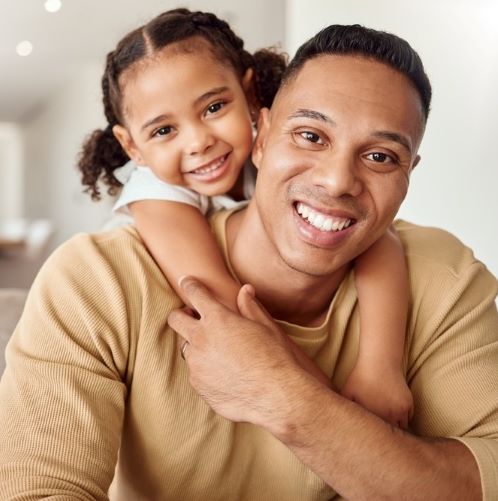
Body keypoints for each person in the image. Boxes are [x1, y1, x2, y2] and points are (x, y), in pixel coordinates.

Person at [0, 22, 497, 501]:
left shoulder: (445, 278)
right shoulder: (104, 272)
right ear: (264, 134)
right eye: (310, 136)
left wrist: (291, 393)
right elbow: (210, 295)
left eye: (382, 157)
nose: (337, 180)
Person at [77, 8, 412, 427]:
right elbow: (223, 307)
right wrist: (341, 417)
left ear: (251, 96)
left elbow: (383, 241)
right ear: (133, 147)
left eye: (214, 107)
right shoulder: (155, 193)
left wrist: (381, 369)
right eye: (164, 131)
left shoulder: (276, 159)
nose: (199, 141)